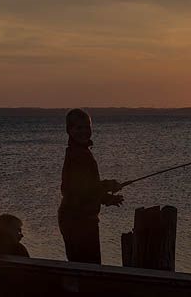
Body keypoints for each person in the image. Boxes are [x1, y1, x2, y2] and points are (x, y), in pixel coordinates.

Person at [58, 108, 124, 264]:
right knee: (87, 266)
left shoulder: (82, 152)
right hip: (76, 220)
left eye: (87, 127)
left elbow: (87, 189)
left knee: (88, 265)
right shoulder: (77, 155)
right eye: (79, 127)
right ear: (69, 130)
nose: (84, 131)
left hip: (84, 219)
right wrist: (108, 187)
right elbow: (78, 189)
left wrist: (107, 198)